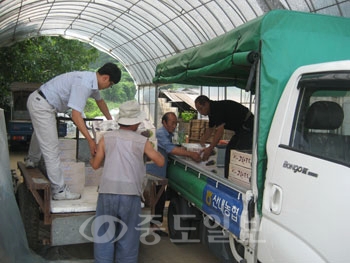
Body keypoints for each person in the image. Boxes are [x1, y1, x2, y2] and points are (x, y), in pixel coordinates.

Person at [25, 62, 122, 200]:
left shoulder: (92, 81)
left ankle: (32, 159)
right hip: (43, 105)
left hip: (41, 101)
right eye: (111, 84)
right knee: (52, 149)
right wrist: (90, 141)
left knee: (41, 132)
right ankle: (59, 191)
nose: (109, 87)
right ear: (105, 78)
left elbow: (100, 102)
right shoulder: (84, 84)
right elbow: (76, 116)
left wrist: (111, 122)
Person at [90, 100, 164, 263]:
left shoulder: (106, 138)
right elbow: (160, 161)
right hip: (130, 194)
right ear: (137, 122)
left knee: (105, 235)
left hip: (107, 191)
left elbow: (95, 165)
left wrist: (92, 155)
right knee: (128, 237)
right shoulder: (142, 141)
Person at [146, 112, 201, 235]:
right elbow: (171, 149)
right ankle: (153, 226)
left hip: (159, 173)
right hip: (154, 173)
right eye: (172, 123)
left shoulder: (168, 134)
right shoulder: (160, 134)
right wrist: (191, 154)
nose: (174, 125)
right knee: (156, 200)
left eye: (176, 123)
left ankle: (153, 225)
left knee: (158, 199)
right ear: (164, 123)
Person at [194, 95, 254, 178]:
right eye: (198, 110)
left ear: (206, 104)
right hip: (241, 129)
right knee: (230, 149)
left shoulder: (216, 109)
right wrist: (201, 142)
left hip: (248, 125)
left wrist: (210, 148)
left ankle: (236, 178)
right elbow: (210, 129)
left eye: (201, 109)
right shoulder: (211, 111)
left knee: (237, 151)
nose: (200, 112)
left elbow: (219, 132)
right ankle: (229, 177)